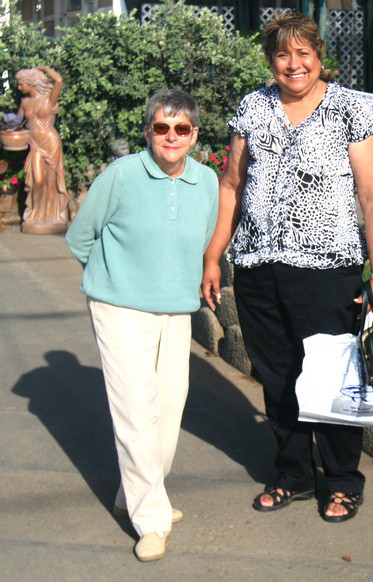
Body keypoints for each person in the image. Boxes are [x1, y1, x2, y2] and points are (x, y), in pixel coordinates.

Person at [202, 12, 373, 523]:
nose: (294, 64)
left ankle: (343, 481)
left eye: (303, 53)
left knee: (330, 377)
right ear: (271, 59)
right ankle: (293, 475)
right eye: (283, 54)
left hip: (326, 269)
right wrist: (214, 254)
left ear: (318, 56)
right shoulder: (252, 108)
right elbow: (231, 186)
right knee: (277, 376)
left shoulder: (350, 110)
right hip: (259, 266)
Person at [66, 89, 219, 560]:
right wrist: (115, 281)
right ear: (148, 130)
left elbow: (203, 239)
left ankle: (133, 493)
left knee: (169, 410)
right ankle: (151, 517)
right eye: (161, 127)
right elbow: (81, 237)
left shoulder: (208, 181)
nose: (171, 137)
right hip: (119, 308)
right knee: (135, 411)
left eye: (181, 129)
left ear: (194, 135)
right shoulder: (122, 175)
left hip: (176, 310)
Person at [16, 67, 69, 233]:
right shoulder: (25, 102)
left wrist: (44, 69)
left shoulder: (49, 100)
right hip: (35, 145)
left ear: (30, 83)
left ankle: (49, 216)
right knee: (37, 181)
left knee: (51, 181)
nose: (19, 88)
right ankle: (34, 214)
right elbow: (16, 123)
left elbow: (58, 80)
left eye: (20, 84)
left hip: (50, 143)